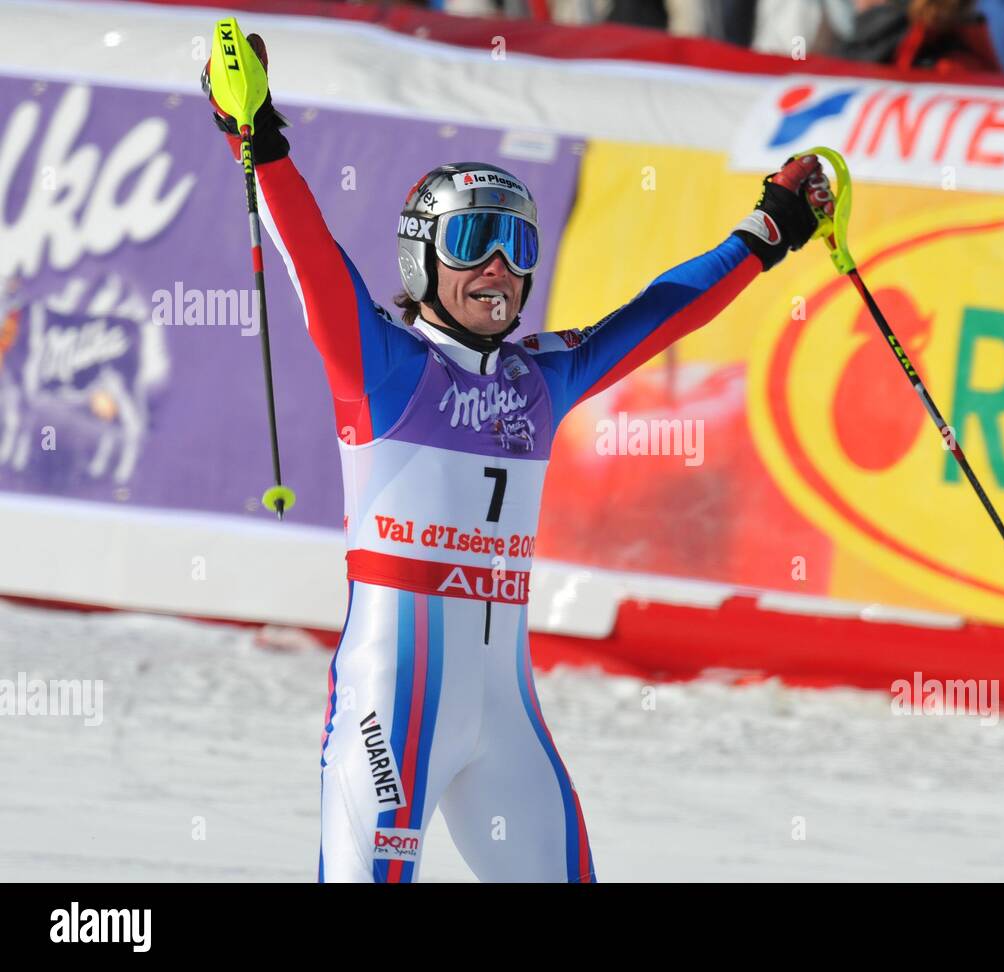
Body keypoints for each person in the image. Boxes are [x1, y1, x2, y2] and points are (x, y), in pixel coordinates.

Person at [202, 33, 830, 883]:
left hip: (507, 724)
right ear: (423, 259)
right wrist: (258, 134)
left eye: (519, 246)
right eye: (473, 243)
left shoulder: (542, 378)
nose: (499, 268)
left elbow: (659, 314)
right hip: (390, 724)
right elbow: (312, 260)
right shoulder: (383, 368)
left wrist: (768, 231)